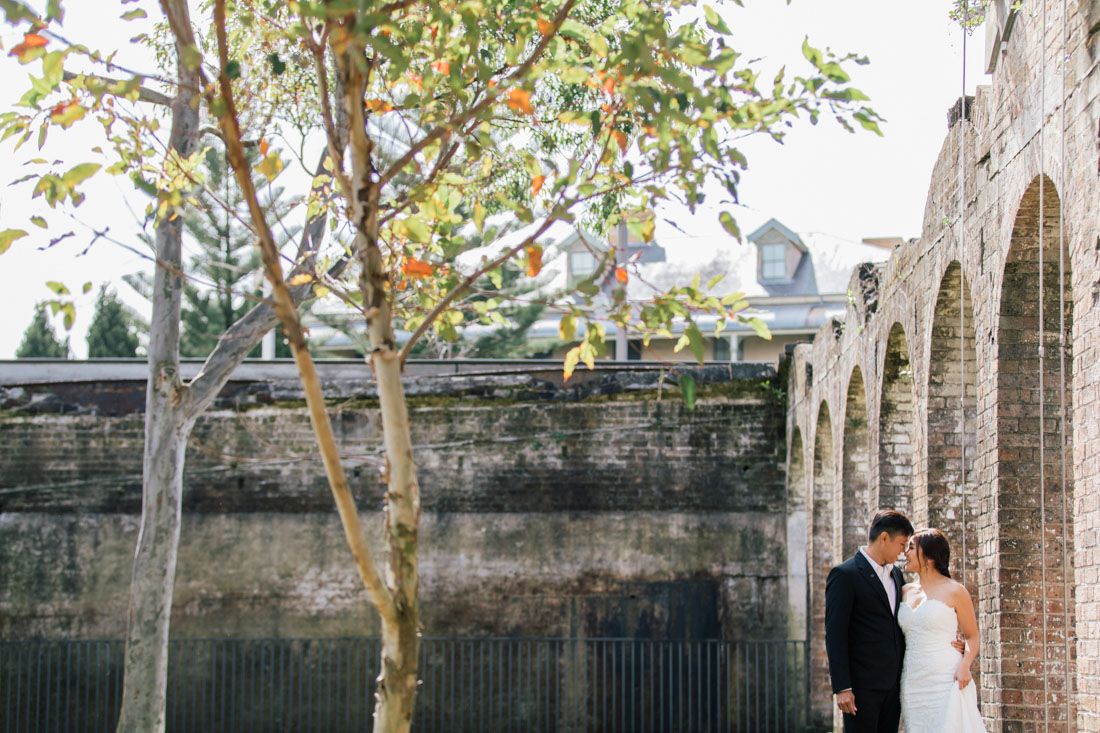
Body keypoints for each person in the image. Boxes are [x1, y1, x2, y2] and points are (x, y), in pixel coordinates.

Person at [824, 510, 966, 732]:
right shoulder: (845, 575)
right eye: (901, 544)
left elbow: (909, 623)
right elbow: (835, 635)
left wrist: (949, 640)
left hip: (897, 687)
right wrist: (842, 687)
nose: (903, 551)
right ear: (884, 538)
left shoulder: (897, 576)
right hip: (862, 689)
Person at [897, 528, 986, 732]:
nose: (905, 552)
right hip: (912, 679)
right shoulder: (904, 591)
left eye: (911, 547)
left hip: (945, 676)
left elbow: (972, 636)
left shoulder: (955, 591)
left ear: (928, 557)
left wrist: (965, 665)